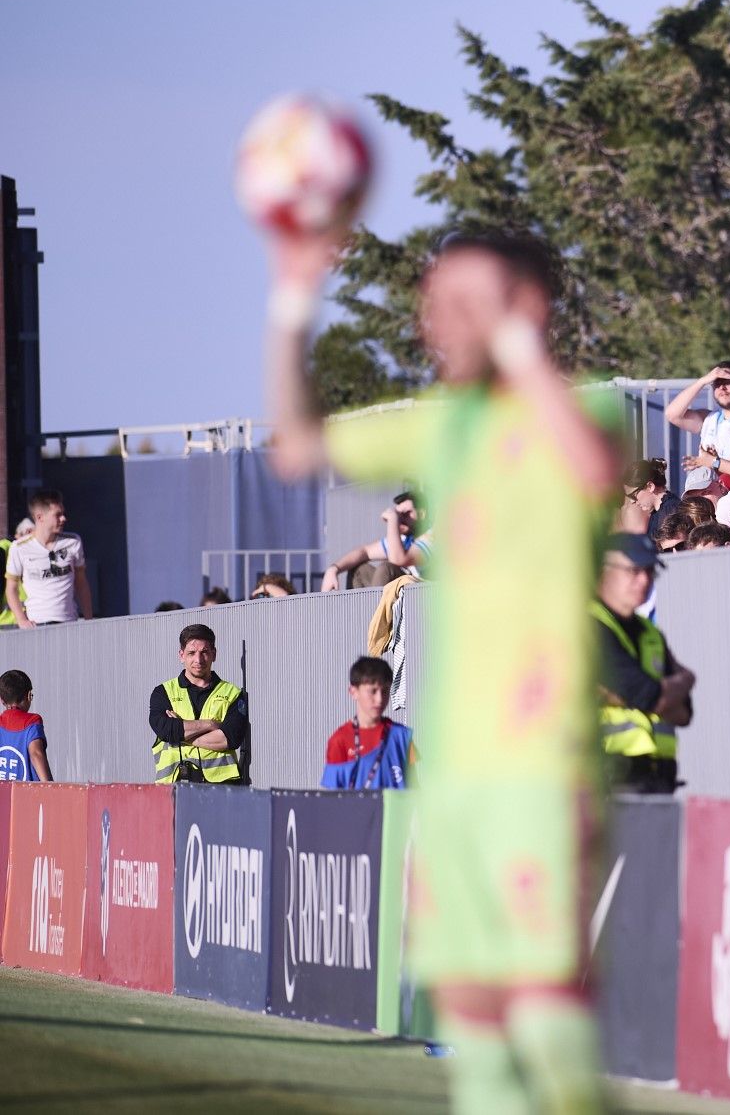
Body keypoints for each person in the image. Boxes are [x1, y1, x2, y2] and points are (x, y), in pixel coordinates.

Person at [264, 226, 621, 1111]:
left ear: (523, 310)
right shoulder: (442, 425)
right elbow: (298, 444)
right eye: (434, 302)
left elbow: (592, 465)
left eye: (464, 302)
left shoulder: (586, 410)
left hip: (543, 762)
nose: (437, 321)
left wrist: (513, 340)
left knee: (547, 1022)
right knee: (474, 1035)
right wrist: (295, 294)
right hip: (453, 778)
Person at [592, 533, 694, 792]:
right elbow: (653, 697)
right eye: (634, 571)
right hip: (611, 779)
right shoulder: (591, 627)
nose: (644, 580)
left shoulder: (650, 634)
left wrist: (650, 696)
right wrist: (685, 679)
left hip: (659, 778)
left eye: (650, 571)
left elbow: (683, 713)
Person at [149, 622, 248, 785]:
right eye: (191, 653)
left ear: (214, 654)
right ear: (181, 655)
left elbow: (229, 739)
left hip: (221, 788)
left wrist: (180, 733)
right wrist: (210, 724)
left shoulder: (233, 694)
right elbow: (166, 730)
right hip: (175, 788)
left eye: (204, 652)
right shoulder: (163, 692)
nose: (198, 659)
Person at [322, 655, 415, 789]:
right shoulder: (339, 740)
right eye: (373, 691)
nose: (379, 699)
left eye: (385, 691)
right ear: (353, 692)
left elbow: (415, 788)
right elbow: (332, 798)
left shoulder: (403, 736)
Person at [6, 488, 91, 627]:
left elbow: (81, 583)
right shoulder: (19, 547)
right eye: (57, 515)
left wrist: (89, 620)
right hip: (36, 625)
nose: (63, 518)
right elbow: (11, 588)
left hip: (68, 622)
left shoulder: (73, 542)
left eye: (63, 514)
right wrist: (21, 620)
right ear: (40, 517)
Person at [322, 490, 432, 590]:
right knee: (359, 570)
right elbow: (364, 552)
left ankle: (375, 611)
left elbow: (398, 560)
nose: (400, 519)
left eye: (405, 514)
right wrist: (333, 569)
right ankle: (363, 609)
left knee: (386, 568)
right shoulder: (404, 539)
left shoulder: (432, 537)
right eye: (398, 514)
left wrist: (392, 520)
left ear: (422, 514)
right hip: (404, 591)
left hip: (423, 596)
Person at [664, 362, 730, 486]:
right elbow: (672, 414)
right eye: (716, 383)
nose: (722, 388)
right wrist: (702, 381)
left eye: (727, 382)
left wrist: (713, 461)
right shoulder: (710, 419)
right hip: (708, 495)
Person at [0, 669, 52, 781]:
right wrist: (51, 789)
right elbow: (36, 754)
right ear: (28, 695)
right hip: (28, 797)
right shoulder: (32, 722)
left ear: (2, 700)